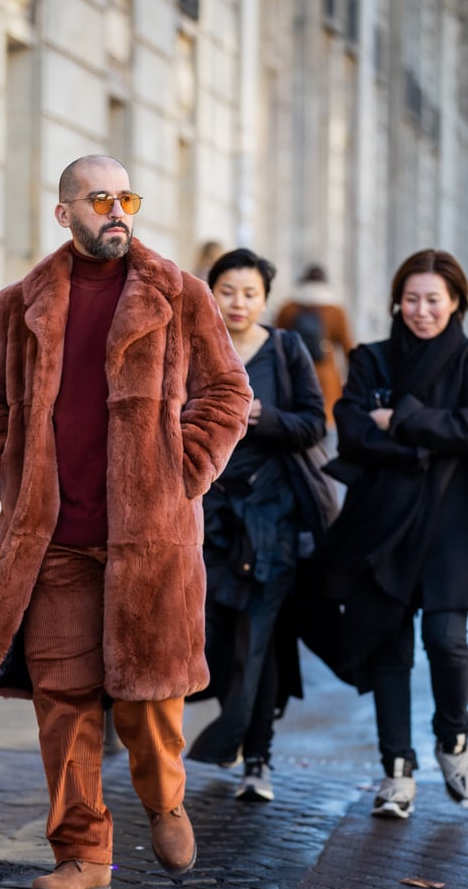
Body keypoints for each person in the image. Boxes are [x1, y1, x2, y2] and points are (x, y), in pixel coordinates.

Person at [0, 155, 252, 889]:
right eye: (100, 198)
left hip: (148, 544)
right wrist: (5, 473)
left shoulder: (178, 295)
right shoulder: (18, 304)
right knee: (64, 704)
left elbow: (227, 392)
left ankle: (165, 799)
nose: (117, 210)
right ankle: (84, 855)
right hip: (51, 544)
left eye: (127, 197)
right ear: (65, 213)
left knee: (150, 704)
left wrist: (178, 473)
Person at [313, 249, 468, 819]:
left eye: (433, 299)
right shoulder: (372, 358)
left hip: (452, 524)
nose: (421, 310)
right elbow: (352, 431)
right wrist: (429, 443)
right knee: (389, 648)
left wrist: (401, 419)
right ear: (396, 302)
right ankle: (396, 771)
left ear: (455, 303)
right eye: (412, 299)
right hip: (382, 522)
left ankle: (454, 738)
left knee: (449, 641)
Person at [187, 248, 336, 801]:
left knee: (259, 636)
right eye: (228, 291)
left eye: (250, 293)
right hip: (208, 514)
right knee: (220, 639)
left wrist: (261, 417)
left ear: (265, 299)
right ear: (211, 291)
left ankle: (258, 758)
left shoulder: (286, 347)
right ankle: (239, 738)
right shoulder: (193, 346)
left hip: (271, 517)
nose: (239, 303)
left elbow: (313, 425)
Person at [275, 263, 353, 430]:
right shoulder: (335, 310)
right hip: (326, 374)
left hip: (293, 371)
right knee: (328, 422)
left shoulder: (288, 308)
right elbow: (347, 346)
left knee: (297, 422)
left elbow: (275, 340)